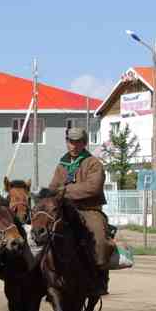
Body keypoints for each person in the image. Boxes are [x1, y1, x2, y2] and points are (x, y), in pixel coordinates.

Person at [48, 126, 113, 294]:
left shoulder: (93, 163)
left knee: (99, 239)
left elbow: (93, 188)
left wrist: (64, 191)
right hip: (64, 209)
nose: (74, 146)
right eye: (71, 142)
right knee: (42, 233)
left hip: (88, 209)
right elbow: (53, 187)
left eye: (78, 142)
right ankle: (42, 276)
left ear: (84, 143)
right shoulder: (62, 164)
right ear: (67, 142)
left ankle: (99, 278)